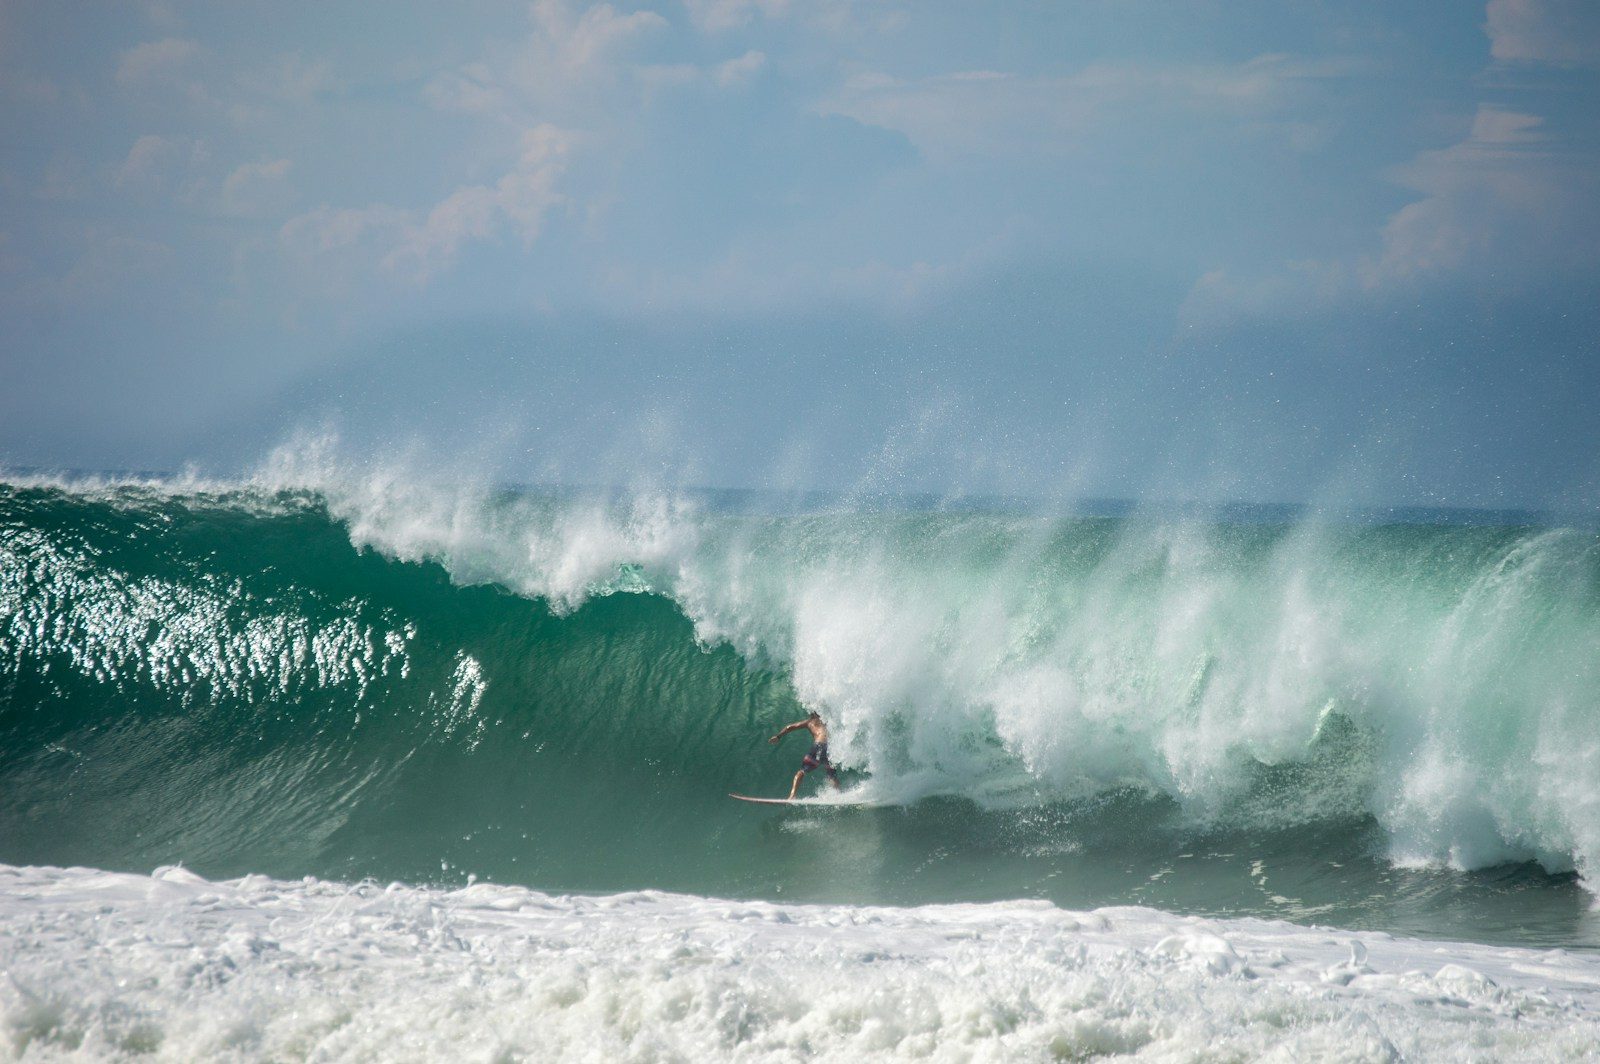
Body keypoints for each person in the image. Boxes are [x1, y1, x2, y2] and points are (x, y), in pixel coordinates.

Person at [768, 711, 840, 800]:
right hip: (830, 749)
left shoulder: (809, 722)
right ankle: (837, 795)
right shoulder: (827, 721)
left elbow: (789, 727)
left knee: (801, 772)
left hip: (819, 746)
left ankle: (792, 796)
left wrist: (778, 736)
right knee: (832, 775)